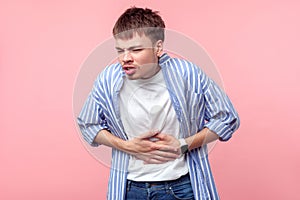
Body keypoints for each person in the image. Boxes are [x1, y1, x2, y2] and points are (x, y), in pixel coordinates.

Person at [77, 7, 240, 200]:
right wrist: (126, 146)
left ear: (158, 48)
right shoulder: (108, 79)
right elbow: (88, 124)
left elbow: (226, 118)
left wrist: (183, 145)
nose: (125, 58)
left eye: (136, 49)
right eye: (120, 50)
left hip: (181, 187)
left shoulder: (188, 74)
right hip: (129, 189)